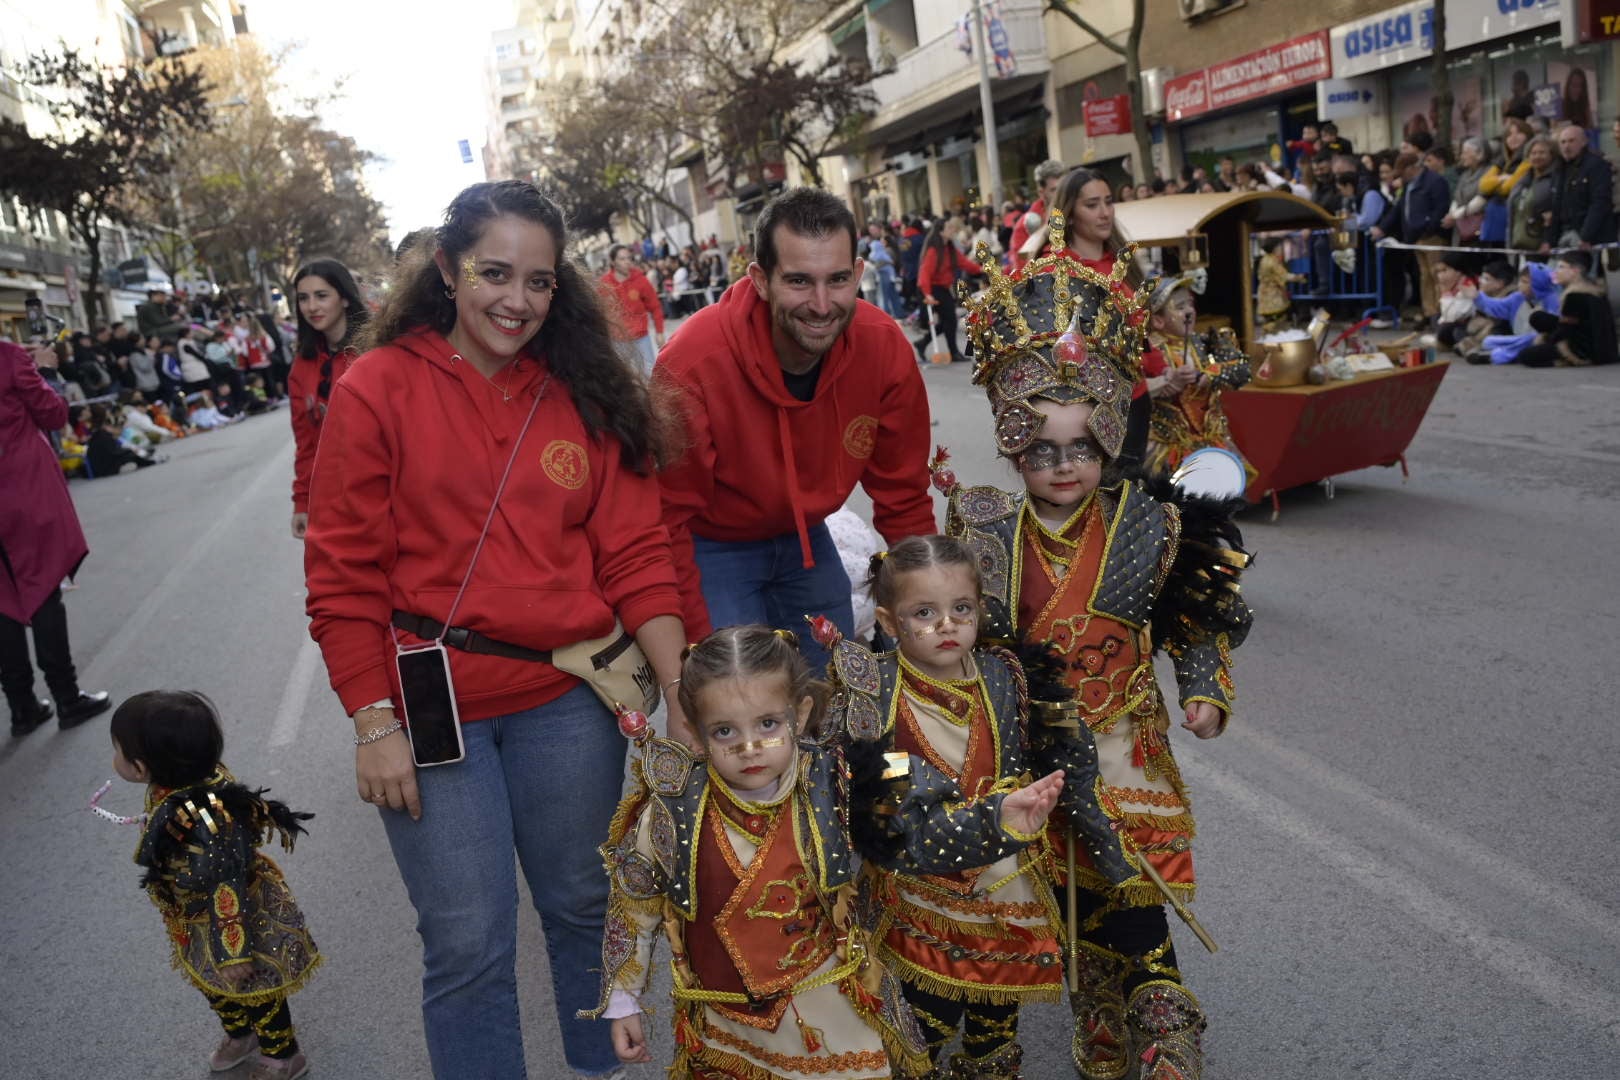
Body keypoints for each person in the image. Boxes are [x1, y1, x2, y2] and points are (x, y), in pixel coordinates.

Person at [302, 179, 690, 1079]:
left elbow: (635, 556)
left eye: (540, 281)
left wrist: (682, 691)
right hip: (432, 712)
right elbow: (341, 580)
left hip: (566, 700)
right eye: (493, 273)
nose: (516, 300)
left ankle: (600, 1067)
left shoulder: (584, 392)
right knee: (468, 943)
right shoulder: (375, 390)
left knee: (582, 908)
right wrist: (373, 723)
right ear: (447, 269)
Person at [941, 255, 1254, 1080]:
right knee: (1035, 892)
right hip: (1020, 752)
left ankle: (1160, 1014)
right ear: (1011, 447)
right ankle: (1050, 1023)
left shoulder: (1150, 525)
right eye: (1040, 449)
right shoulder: (980, 530)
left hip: (1123, 739)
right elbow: (942, 641)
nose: (1062, 466)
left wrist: (1206, 691)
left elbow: (1194, 618)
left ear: (1112, 433)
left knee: (1132, 875)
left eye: (1081, 446)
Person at [587, 624, 1064, 1078]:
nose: (750, 746)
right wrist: (623, 1001)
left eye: (768, 723)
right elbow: (634, 907)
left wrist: (998, 818)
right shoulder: (669, 811)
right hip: (725, 1024)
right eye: (725, 732)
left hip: (830, 1002)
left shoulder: (848, 774)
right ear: (693, 728)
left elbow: (924, 823)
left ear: (799, 713)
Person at [835, 539, 1126, 1077]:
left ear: (980, 609)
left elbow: (1065, 734)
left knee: (997, 1015)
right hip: (925, 884)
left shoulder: (1007, 674)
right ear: (889, 622)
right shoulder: (875, 695)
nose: (947, 625)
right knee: (928, 1018)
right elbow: (888, 809)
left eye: (961, 609)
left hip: (1007, 879)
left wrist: (1064, 742)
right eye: (925, 613)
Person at [652, 187, 936, 673]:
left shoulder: (883, 346)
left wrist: (931, 607)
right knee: (737, 695)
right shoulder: (691, 364)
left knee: (839, 690)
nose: (822, 305)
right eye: (800, 281)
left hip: (806, 536)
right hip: (712, 545)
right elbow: (667, 517)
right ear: (761, 280)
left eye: (838, 280)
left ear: (859, 275)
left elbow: (903, 495)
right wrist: (694, 656)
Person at [108, 690, 319, 1080]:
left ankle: (283, 1054)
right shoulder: (182, 786)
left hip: (234, 920)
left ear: (140, 767)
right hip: (198, 918)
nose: (114, 758)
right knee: (212, 980)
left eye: (117, 750)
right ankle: (240, 1034)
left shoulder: (207, 821)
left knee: (254, 985)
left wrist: (232, 950)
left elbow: (226, 886)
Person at [0, 339, 111, 735]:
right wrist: (45, 370)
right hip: (21, 491)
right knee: (43, 587)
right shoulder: (9, 356)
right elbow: (53, 413)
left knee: (3, 603)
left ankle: (22, 707)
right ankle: (66, 697)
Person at [1047, 167, 1164, 467]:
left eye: (1108, 202)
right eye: (1092, 205)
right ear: (1070, 213)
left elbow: (1142, 337)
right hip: (1082, 408)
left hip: (1135, 400)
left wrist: (1162, 367)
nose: (1104, 213)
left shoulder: (1123, 264)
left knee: (1129, 497)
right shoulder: (1052, 272)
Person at [287, 260, 369, 540]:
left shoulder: (379, 351)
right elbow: (307, 443)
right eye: (303, 298)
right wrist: (302, 501)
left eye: (321, 296)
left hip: (389, 489)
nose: (311, 307)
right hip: (336, 500)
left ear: (344, 298)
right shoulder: (301, 367)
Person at [1144, 272, 1253, 475]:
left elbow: (1243, 368)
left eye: (1189, 304)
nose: (1189, 312)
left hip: (1211, 438)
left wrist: (1210, 374)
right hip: (1166, 444)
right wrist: (1165, 382)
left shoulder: (1203, 341)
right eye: (1179, 307)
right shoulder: (1148, 350)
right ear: (1158, 320)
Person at [1516, 250, 1617, 367]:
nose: (1556, 271)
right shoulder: (1596, 291)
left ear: (1575, 271)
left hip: (1583, 352)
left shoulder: (1575, 295)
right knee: (1538, 317)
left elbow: (1566, 330)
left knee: (1526, 355)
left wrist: (1545, 343)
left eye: (1561, 267)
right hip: (1605, 350)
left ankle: (1561, 361)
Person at [915, 216, 981, 364]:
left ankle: (923, 343)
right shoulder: (934, 251)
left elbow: (964, 263)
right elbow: (924, 273)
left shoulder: (949, 249)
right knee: (950, 319)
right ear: (941, 232)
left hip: (941, 288)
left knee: (947, 321)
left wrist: (983, 270)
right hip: (932, 288)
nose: (953, 230)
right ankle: (953, 352)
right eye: (949, 228)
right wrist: (927, 294)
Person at [1396, 151, 1451, 327]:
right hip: (1416, 237)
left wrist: (1429, 227)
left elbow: (1440, 207)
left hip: (1432, 236)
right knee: (1424, 276)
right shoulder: (1410, 185)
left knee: (1437, 276)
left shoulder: (1435, 181)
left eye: (1403, 172)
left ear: (1412, 168)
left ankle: (1441, 311)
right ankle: (1429, 311)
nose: (1402, 176)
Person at [599, 246, 666, 378]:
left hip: (641, 338)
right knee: (623, 380)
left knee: (649, 376)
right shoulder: (604, 284)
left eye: (629, 258)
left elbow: (655, 306)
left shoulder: (640, 280)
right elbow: (598, 312)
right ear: (613, 262)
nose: (627, 262)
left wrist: (659, 332)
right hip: (617, 341)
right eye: (622, 259)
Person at [1550, 123, 1616, 249]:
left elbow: (1599, 203)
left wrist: (1585, 236)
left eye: (1571, 141)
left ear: (1584, 142)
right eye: (1562, 142)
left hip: (1589, 237)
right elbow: (1556, 206)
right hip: (1565, 234)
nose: (1566, 146)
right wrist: (1550, 240)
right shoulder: (1559, 170)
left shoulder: (1596, 165)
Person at [1478, 119, 1534, 248]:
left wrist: (1495, 184)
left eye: (1518, 133)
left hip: (1513, 216)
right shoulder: (1502, 160)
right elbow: (1482, 185)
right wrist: (1501, 178)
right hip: (1494, 216)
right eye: (1509, 134)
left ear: (1528, 135)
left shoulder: (1529, 158)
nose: (1513, 138)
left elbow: (1508, 188)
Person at [1010, 158, 1066, 271]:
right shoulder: (1025, 225)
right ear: (1041, 192)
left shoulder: (1079, 213)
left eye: (1064, 188)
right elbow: (1023, 273)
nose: (1062, 195)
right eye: (1054, 190)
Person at [1508, 135, 1561, 252]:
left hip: (1544, 246)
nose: (1537, 156)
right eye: (1533, 153)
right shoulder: (1523, 180)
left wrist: (1548, 240)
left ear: (1552, 155)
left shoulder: (1557, 179)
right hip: (1520, 243)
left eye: (1542, 153)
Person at [87, 403, 161, 475]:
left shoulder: (99, 428)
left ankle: (145, 456)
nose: (108, 412)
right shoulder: (100, 431)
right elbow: (113, 450)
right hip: (103, 466)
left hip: (101, 460)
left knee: (130, 449)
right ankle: (146, 457)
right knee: (129, 452)